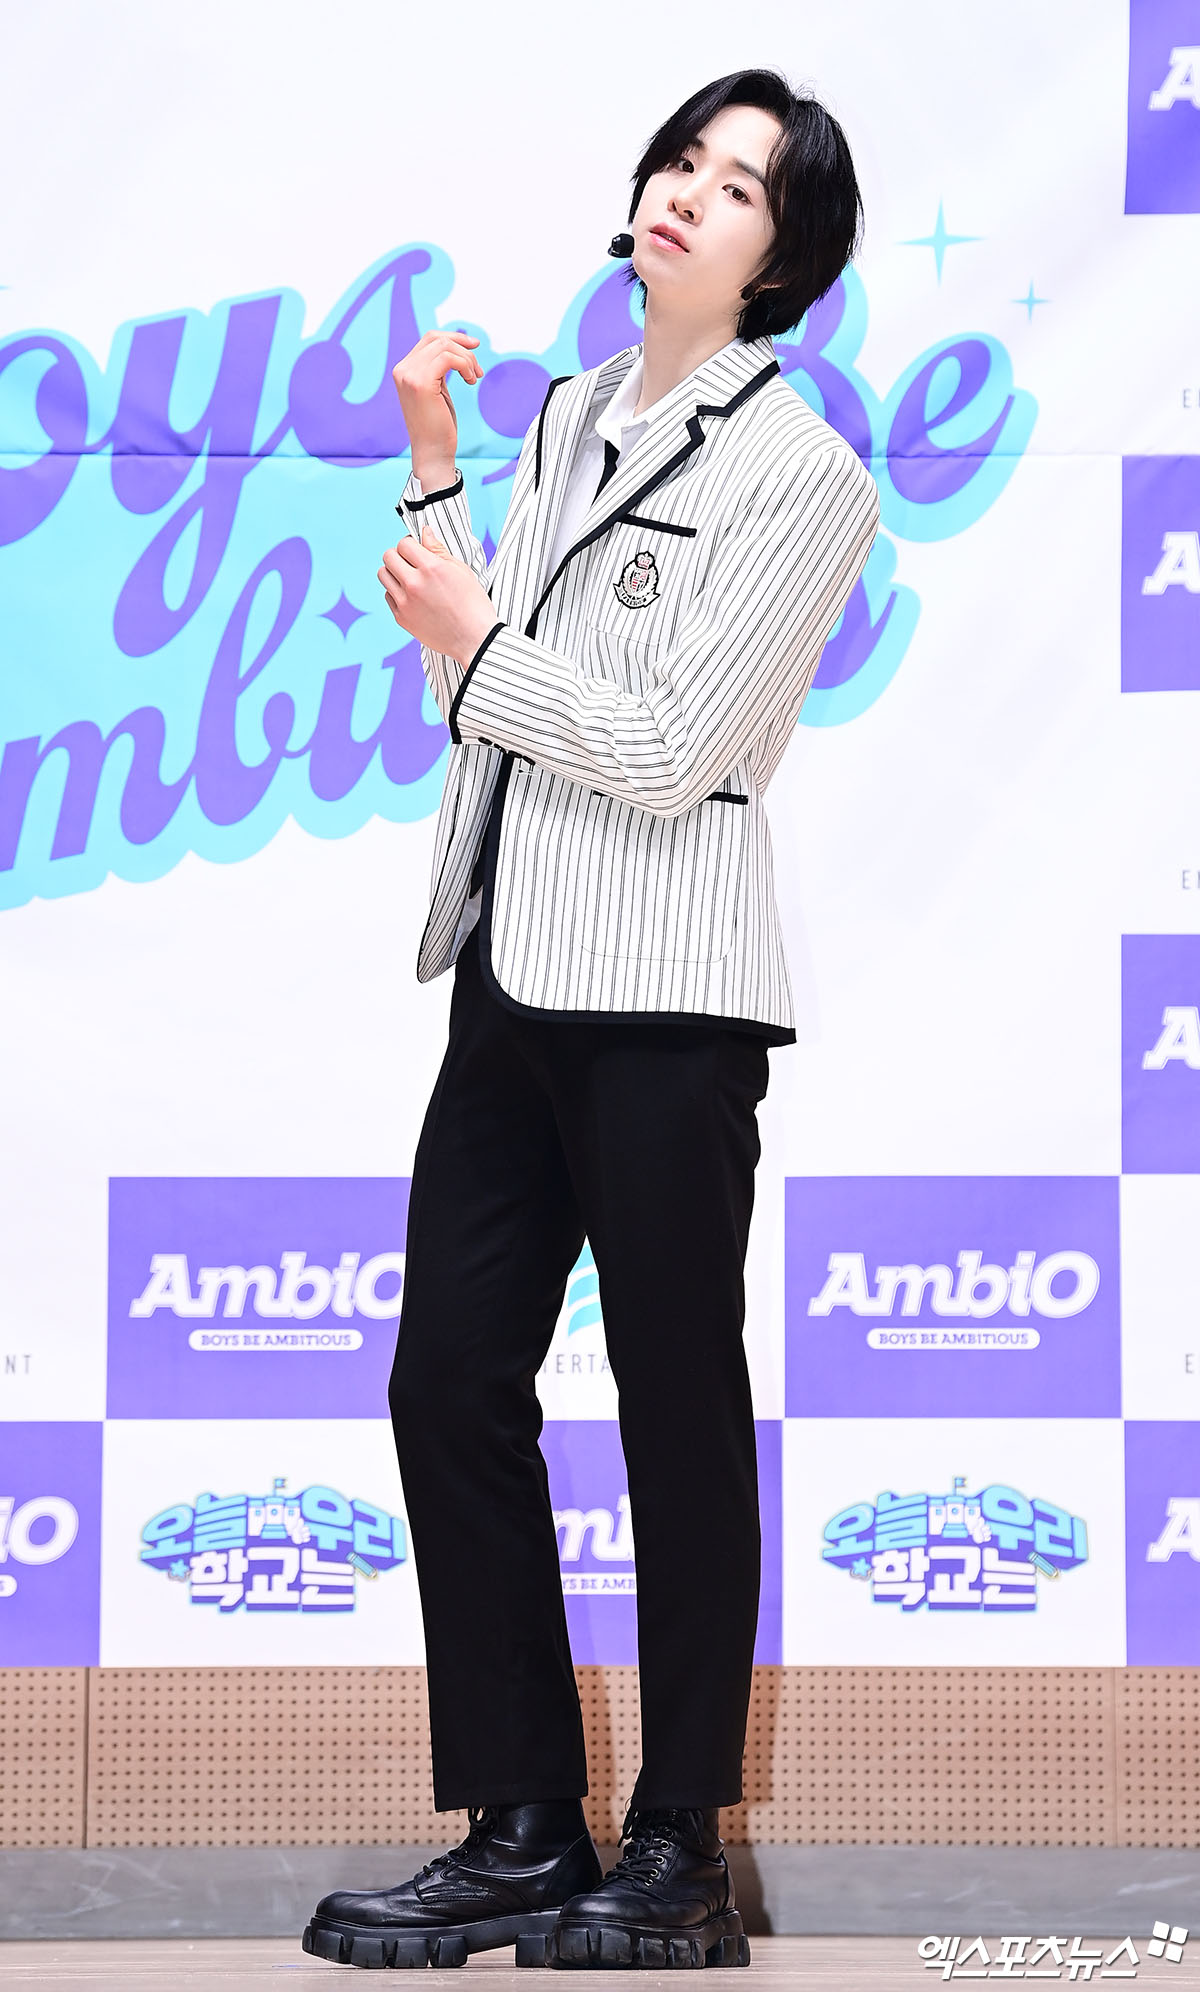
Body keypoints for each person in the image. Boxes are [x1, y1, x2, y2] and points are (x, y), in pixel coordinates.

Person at [302, 66, 879, 1974]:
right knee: (446, 1380)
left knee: (673, 1405)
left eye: (740, 185)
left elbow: (676, 746)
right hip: (511, 970)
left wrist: (477, 642)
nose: (688, 193)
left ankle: (682, 1851)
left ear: (784, 256)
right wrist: (431, 460)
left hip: (667, 1000)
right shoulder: (565, 415)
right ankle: (523, 1824)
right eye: (681, 159)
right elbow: (479, 683)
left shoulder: (802, 471)